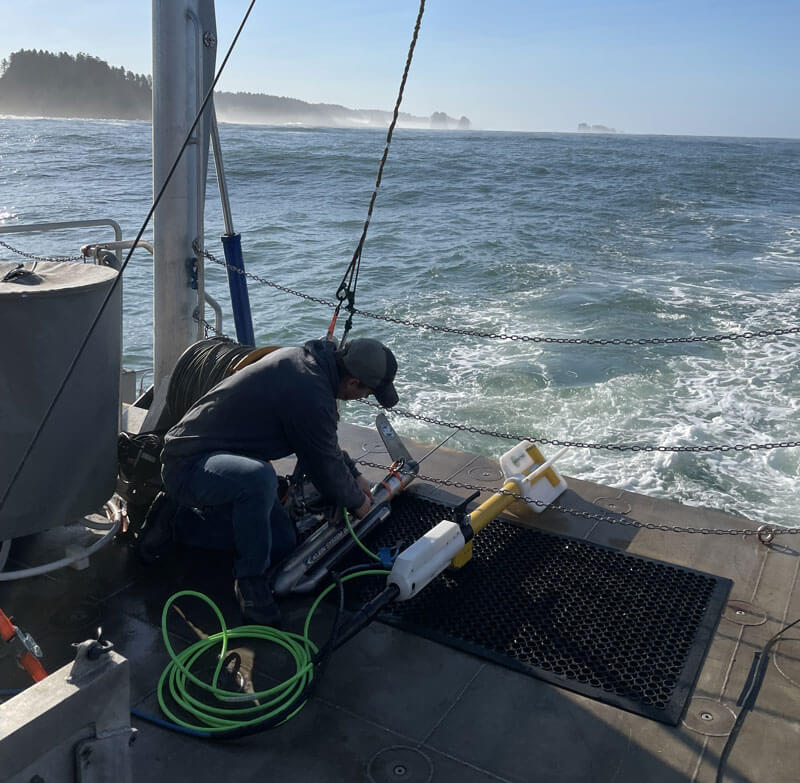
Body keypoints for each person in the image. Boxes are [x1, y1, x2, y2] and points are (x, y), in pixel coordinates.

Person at [137, 337, 399, 626]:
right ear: (353, 383)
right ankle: (249, 581)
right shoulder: (309, 390)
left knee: (281, 544)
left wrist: (355, 475)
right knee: (259, 479)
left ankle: (180, 523)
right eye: (368, 393)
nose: (365, 398)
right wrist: (358, 502)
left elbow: (321, 442)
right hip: (187, 463)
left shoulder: (309, 366)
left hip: (224, 459)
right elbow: (323, 466)